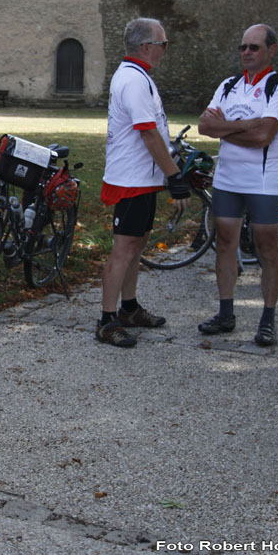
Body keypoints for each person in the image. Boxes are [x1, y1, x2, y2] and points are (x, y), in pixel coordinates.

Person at [197, 23, 278, 346]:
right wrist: (246, 124)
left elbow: (262, 136)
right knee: (225, 242)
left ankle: (267, 319)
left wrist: (225, 127)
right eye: (243, 47)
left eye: (254, 47)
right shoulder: (228, 86)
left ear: (272, 50)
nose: (247, 53)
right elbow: (204, 127)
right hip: (227, 178)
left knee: (267, 246)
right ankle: (226, 314)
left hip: (262, 180)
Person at [96, 17, 190, 348]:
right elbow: (148, 132)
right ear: (147, 47)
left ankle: (129, 307)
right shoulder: (134, 80)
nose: (165, 50)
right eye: (163, 44)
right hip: (131, 178)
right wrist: (174, 176)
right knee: (124, 248)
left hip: (142, 177)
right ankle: (107, 320)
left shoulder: (138, 76)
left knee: (138, 242)